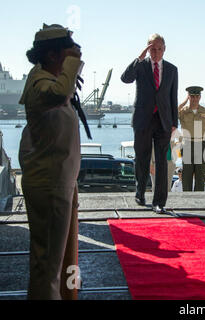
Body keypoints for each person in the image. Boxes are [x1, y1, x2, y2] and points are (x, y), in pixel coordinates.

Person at [18, 24, 85, 300]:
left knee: (58, 260)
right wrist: (73, 62)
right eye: (67, 52)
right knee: (48, 265)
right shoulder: (41, 84)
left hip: (59, 181)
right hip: (50, 185)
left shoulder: (47, 78)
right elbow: (59, 94)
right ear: (53, 55)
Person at [121, 33, 179, 214]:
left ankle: (159, 202)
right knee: (142, 159)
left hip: (163, 121)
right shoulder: (141, 66)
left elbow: (173, 97)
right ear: (147, 48)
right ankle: (140, 192)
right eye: (152, 49)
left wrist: (174, 122)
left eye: (159, 49)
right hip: (143, 119)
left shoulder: (172, 69)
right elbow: (125, 78)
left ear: (164, 49)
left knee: (162, 161)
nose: (156, 52)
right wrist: (139, 58)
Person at [178, 86, 205, 192]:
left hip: (201, 145)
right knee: (186, 176)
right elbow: (173, 113)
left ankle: (199, 202)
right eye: (192, 96)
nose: (195, 99)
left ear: (200, 97)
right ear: (189, 97)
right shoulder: (183, 112)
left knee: (200, 176)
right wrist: (184, 101)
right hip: (187, 145)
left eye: (197, 96)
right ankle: (187, 201)